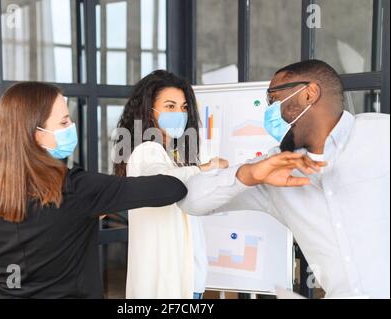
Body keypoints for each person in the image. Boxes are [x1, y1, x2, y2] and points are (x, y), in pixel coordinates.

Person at [179, 60, 390, 298]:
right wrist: (246, 175)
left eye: (273, 99)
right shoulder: (273, 170)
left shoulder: (381, 135)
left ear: (309, 93)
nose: (269, 112)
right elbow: (190, 201)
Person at [0, 82, 189, 299]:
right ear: (35, 133)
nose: (71, 128)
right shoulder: (77, 188)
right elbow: (172, 188)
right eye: (63, 123)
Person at [114, 70, 322, 299]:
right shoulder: (147, 150)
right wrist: (206, 169)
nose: (179, 114)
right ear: (148, 111)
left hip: (189, 279)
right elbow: (160, 182)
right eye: (170, 106)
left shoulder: (171, 154)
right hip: (169, 285)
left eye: (183, 108)